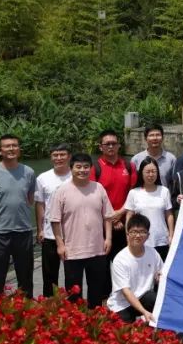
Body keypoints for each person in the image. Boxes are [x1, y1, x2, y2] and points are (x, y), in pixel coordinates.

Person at [47, 152, 114, 307]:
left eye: (86, 167)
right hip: (72, 251)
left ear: (90, 168)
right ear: (71, 169)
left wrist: (108, 238)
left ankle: (95, 319)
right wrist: (60, 245)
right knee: (73, 294)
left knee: (96, 291)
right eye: (78, 167)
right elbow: (55, 221)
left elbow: (108, 216)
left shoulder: (98, 188)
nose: (82, 170)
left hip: (97, 249)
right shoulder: (61, 191)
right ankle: (76, 320)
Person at [0, 134, 36, 298]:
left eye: (14, 145)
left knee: (25, 276)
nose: (11, 149)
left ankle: (26, 307)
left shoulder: (29, 172)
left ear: (19, 149)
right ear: (0, 151)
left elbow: (30, 199)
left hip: (23, 231)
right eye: (7, 146)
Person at [106, 213, 164, 323]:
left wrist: (160, 278)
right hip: (122, 304)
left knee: (156, 299)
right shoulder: (120, 259)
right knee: (124, 329)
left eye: (142, 232)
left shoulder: (153, 253)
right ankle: (142, 318)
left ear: (148, 235)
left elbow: (161, 274)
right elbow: (126, 292)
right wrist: (144, 312)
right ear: (127, 234)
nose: (138, 235)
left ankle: (151, 324)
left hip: (143, 297)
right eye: (134, 232)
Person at [92, 129, 137, 264]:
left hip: (125, 223)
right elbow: (92, 198)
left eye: (114, 143)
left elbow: (134, 194)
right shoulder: (95, 168)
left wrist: (120, 213)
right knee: (102, 268)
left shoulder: (129, 166)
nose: (111, 146)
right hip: (102, 225)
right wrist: (112, 218)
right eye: (107, 144)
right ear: (101, 147)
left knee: (125, 264)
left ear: (119, 145)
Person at [34, 143, 71, 297]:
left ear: (69, 156)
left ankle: (74, 304)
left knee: (72, 274)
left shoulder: (77, 175)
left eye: (62, 154)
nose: (59, 158)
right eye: (55, 155)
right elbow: (40, 204)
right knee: (49, 274)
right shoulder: (42, 178)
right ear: (51, 157)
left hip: (72, 233)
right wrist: (40, 229)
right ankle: (50, 303)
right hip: (50, 234)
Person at [123, 157, 174, 260]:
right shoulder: (134, 193)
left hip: (161, 240)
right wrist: (128, 236)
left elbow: (169, 214)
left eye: (154, 171)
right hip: (140, 240)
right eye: (147, 172)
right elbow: (129, 217)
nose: (151, 175)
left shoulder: (164, 191)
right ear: (141, 173)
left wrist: (171, 235)